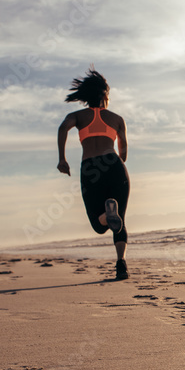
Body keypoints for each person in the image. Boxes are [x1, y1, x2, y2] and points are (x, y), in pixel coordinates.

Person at [57, 68, 131, 281]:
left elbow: (63, 128)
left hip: (90, 168)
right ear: (105, 96)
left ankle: (105, 214)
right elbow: (124, 152)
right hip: (114, 164)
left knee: (99, 226)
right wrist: (118, 164)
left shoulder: (77, 116)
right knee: (120, 221)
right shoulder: (117, 119)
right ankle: (121, 265)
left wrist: (62, 159)